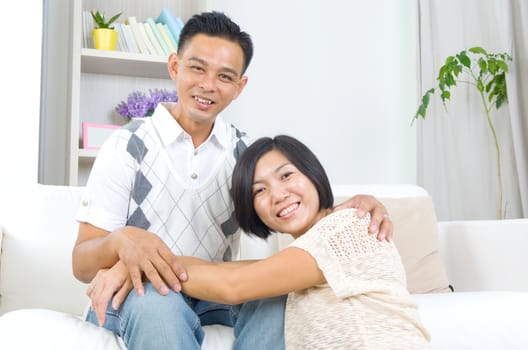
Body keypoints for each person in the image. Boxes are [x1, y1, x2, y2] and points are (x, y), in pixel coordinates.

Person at [73, 11, 394, 350]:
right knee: (157, 299)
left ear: (240, 87)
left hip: (210, 296)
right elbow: (81, 264)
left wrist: (354, 208)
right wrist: (123, 242)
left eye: (225, 76)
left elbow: (296, 216)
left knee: (277, 297)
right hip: (138, 294)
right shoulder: (127, 145)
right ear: (174, 66)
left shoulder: (245, 156)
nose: (208, 85)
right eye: (197, 68)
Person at [175, 135, 431, 349]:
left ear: (312, 173)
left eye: (286, 176)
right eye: (259, 190)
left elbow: (233, 285)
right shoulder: (304, 256)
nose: (278, 195)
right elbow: (225, 271)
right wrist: (147, 256)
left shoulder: (347, 226)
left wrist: (148, 267)